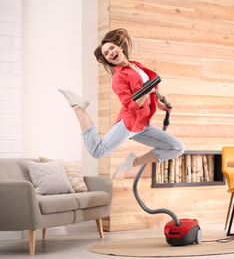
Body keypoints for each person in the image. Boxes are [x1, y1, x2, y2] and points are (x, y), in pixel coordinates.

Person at [59, 28, 185, 179]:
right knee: (97, 151)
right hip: (129, 123)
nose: (110, 53)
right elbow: (130, 105)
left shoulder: (136, 65)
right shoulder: (118, 77)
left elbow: (148, 89)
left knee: (177, 147)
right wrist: (146, 91)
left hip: (143, 125)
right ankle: (78, 107)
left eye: (111, 48)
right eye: (106, 54)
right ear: (108, 61)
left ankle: (133, 162)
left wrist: (158, 104)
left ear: (121, 47)